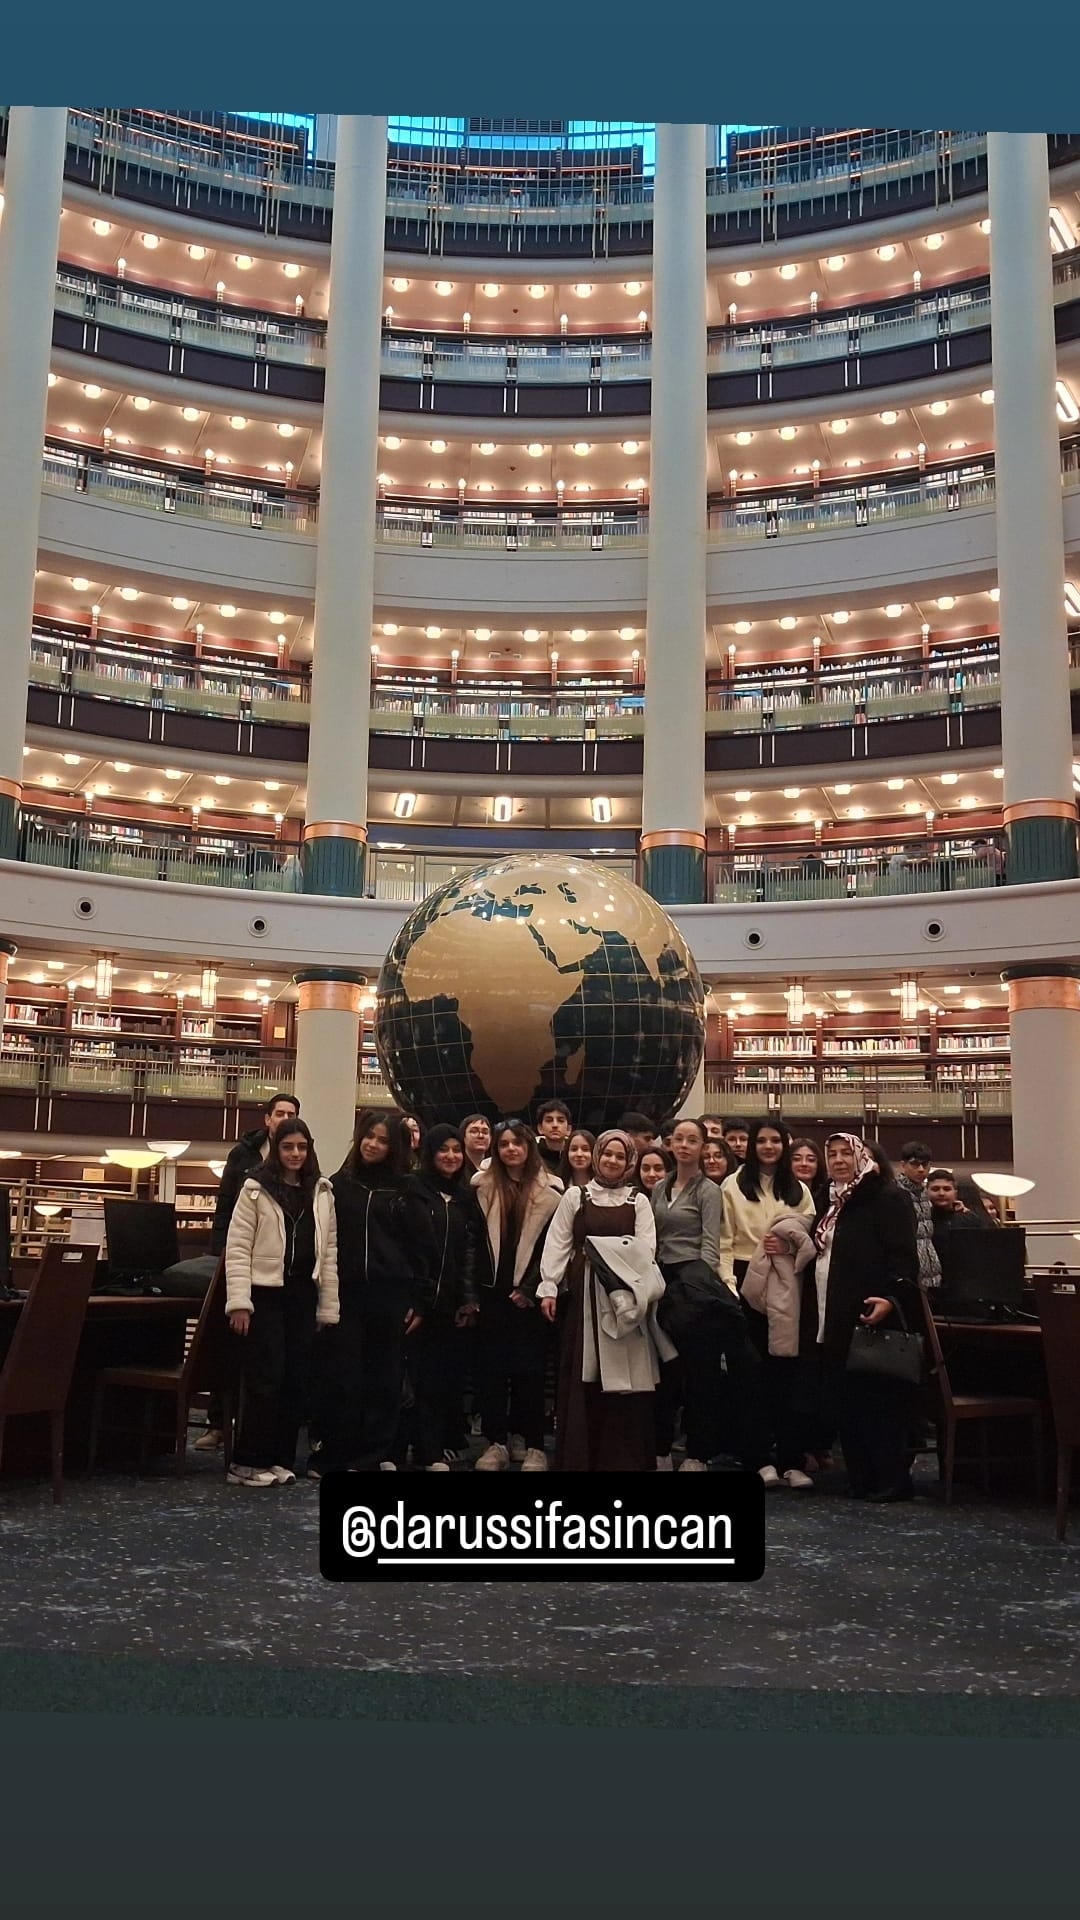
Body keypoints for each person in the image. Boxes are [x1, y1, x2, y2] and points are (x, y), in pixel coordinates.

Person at [312, 1109, 437, 1478]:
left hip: (391, 1296)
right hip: (346, 1294)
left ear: (394, 1146)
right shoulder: (340, 1184)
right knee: (342, 1377)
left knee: (384, 1379)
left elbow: (424, 1249)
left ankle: (369, 1456)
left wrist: (420, 1301)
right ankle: (334, 1452)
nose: (373, 1144)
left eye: (383, 1140)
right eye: (369, 1136)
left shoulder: (407, 1189)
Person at [538, 1130, 667, 1471]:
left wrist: (623, 1278)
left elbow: (646, 1249)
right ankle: (582, 1457)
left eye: (620, 1156)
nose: (612, 1160)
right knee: (586, 1372)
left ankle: (623, 1460)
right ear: (597, 1156)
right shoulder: (576, 1197)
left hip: (625, 1296)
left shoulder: (638, 1201)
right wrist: (549, 1286)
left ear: (629, 1162)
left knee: (625, 1376)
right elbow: (558, 1242)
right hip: (585, 1295)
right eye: (607, 1154)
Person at [804, 1133, 920, 1502]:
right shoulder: (827, 1199)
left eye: (846, 1153)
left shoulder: (886, 1197)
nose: (838, 1160)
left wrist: (890, 1298)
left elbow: (904, 1258)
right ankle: (860, 1478)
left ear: (862, 1157)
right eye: (832, 1154)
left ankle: (891, 1480)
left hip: (871, 1311)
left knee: (878, 1401)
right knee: (846, 1400)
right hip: (832, 1312)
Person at [651, 1116, 769, 1475]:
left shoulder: (708, 1190)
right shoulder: (660, 1187)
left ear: (703, 1147)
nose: (684, 1146)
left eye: (692, 1140)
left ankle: (698, 1452)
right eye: (679, 1139)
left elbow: (709, 1244)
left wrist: (699, 1289)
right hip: (662, 1281)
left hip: (694, 1282)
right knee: (665, 1370)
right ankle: (659, 1447)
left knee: (700, 1371)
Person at [224, 1118, 338, 1488]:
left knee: (295, 1380)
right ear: (277, 1149)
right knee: (265, 1379)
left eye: (301, 1147)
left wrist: (328, 1307)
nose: (295, 1154)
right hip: (264, 1293)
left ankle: (279, 1458)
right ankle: (246, 1462)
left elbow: (329, 1255)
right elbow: (237, 1248)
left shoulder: (321, 1191)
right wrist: (239, 1302)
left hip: (303, 1294)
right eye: (288, 1147)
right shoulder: (255, 1189)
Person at [203, 1090, 300, 1452]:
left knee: (266, 1361)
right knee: (227, 1345)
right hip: (237, 1260)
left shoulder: (299, 1159)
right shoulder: (243, 1155)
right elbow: (226, 1205)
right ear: (268, 1119)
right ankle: (217, 1422)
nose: (285, 1118)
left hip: (275, 1271)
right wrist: (220, 1254)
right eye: (280, 1113)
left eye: (291, 1113)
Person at [471, 1119, 563, 1471]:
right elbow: (472, 1243)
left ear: (529, 1147)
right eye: (504, 1144)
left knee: (530, 1374)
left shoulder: (552, 1191)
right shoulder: (480, 1187)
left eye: (518, 1143)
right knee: (492, 1372)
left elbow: (555, 1246)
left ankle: (533, 1443)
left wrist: (529, 1289)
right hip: (491, 1295)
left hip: (531, 1296)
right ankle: (496, 1442)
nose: (511, 1149)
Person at [407, 1125, 481, 1470]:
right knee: (410, 1379)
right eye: (443, 1149)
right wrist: (415, 1299)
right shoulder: (413, 1190)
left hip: (450, 1305)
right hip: (416, 1303)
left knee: (441, 1380)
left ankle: (431, 1451)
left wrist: (468, 1299)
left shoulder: (466, 1198)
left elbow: (470, 1253)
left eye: (456, 1149)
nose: (451, 1156)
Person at [718, 1118, 816, 1292]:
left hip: (786, 1275)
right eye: (761, 1141)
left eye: (776, 1140)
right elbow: (723, 1242)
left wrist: (788, 1247)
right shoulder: (732, 1185)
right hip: (741, 1272)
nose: (768, 1146)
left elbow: (810, 1239)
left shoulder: (800, 1190)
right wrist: (728, 1282)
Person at [896, 1141, 942, 1291]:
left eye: (925, 1165)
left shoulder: (925, 1193)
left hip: (931, 1270)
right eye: (915, 1164)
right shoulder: (894, 1193)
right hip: (908, 1272)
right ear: (903, 1165)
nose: (921, 1169)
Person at [927, 1168, 986, 1256]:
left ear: (955, 1193)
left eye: (947, 1189)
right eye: (935, 1189)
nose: (941, 1193)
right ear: (926, 1192)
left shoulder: (970, 1219)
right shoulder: (922, 1220)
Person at [791, 1138, 829, 1211]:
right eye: (797, 1159)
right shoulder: (778, 1195)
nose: (804, 1164)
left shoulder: (827, 1198)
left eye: (811, 1160)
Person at [535, 1099, 573, 1174]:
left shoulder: (575, 1155)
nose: (555, 1125)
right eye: (549, 1120)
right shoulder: (532, 1156)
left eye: (560, 1120)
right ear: (540, 1128)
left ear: (568, 1129)